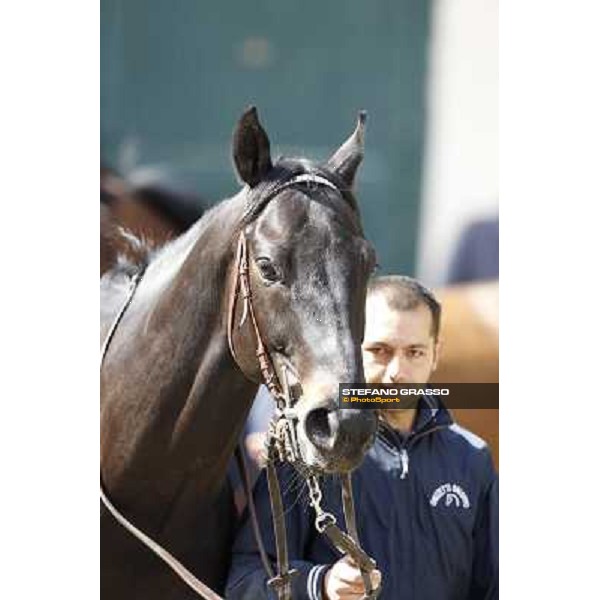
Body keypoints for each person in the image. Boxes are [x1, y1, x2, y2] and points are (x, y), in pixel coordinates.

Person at [226, 276, 499, 600]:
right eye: (381, 351)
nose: (398, 371)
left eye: (415, 352)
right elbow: (245, 583)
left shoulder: (472, 458)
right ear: (352, 348)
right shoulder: (307, 451)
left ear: (435, 355)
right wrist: (321, 585)